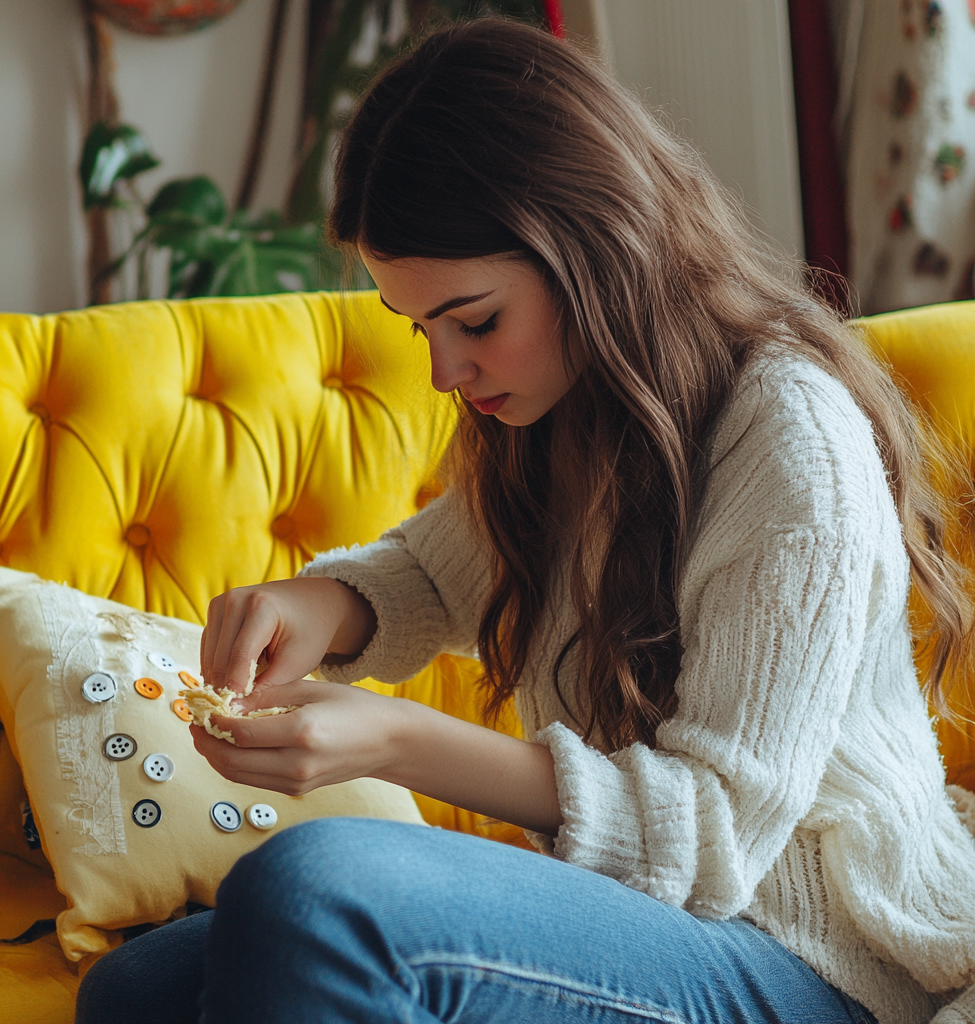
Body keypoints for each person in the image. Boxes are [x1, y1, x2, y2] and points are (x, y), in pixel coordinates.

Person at [76, 18, 975, 1024]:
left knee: (314, 898)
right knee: (136, 992)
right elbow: (428, 576)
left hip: (821, 966)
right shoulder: (568, 405)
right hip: (648, 918)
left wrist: (398, 740)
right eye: (418, 327)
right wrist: (318, 603)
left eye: (475, 320)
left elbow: (714, 837)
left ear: (594, 251)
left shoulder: (788, 437)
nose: (443, 373)